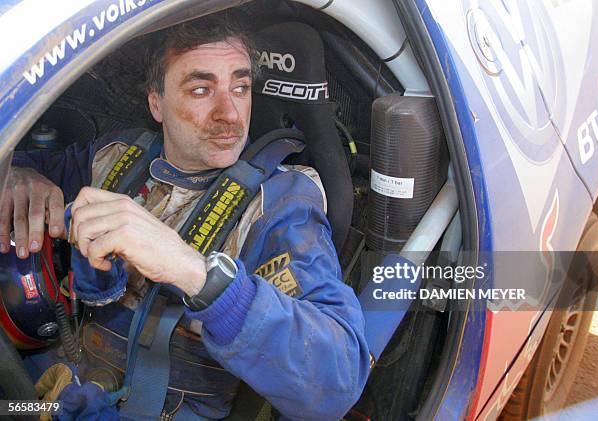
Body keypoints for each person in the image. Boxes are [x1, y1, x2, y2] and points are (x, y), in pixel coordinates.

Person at [0, 15, 370, 420]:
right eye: (201, 89)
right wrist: (18, 173)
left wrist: (194, 272)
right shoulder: (118, 156)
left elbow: (337, 380)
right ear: (156, 102)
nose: (230, 113)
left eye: (241, 88)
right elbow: (23, 162)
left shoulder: (280, 206)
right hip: (52, 387)